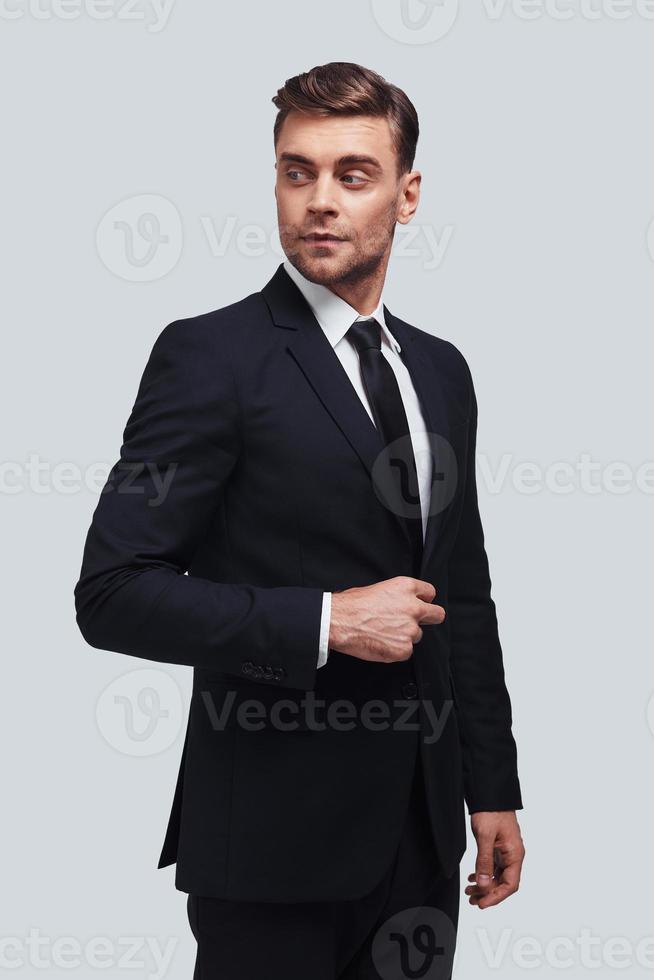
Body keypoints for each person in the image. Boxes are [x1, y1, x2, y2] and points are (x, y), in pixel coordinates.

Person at [74, 61, 525, 980]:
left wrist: (493, 789)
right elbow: (113, 592)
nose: (319, 200)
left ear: (407, 195)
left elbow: (463, 594)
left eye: (351, 175)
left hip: (423, 840)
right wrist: (326, 621)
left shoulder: (442, 372)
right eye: (296, 171)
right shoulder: (210, 356)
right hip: (270, 850)